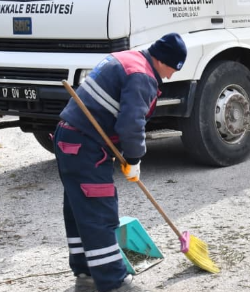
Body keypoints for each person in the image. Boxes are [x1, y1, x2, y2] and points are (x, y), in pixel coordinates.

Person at [54, 33, 187, 292]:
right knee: (98, 213)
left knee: (79, 209)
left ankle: (87, 276)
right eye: (172, 69)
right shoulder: (143, 76)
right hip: (85, 144)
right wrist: (134, 158)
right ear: (163, 60)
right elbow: (130, 124)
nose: (170, 76)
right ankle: (114, 283)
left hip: (67, 138)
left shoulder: (127, 59)